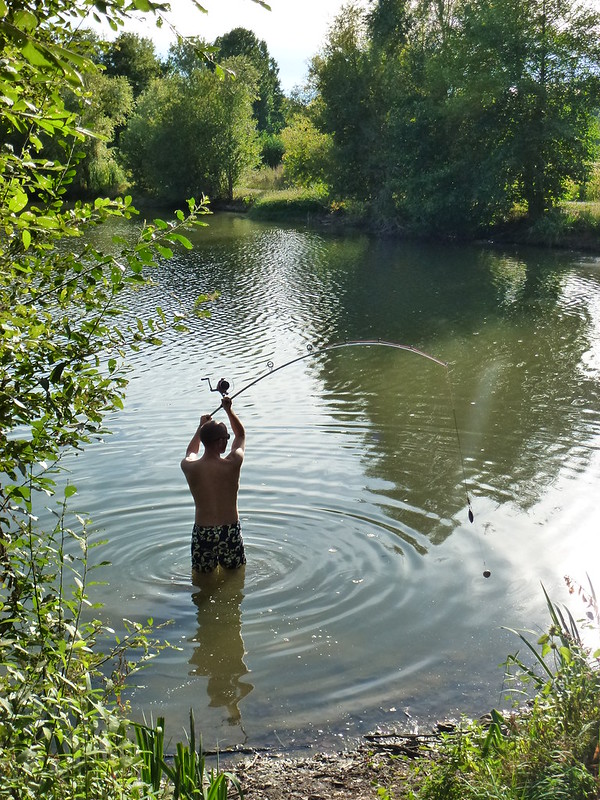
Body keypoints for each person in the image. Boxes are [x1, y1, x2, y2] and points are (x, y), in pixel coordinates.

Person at [181, 396, 246, 576]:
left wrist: (200, 427)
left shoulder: (189, 467)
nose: (228, 439)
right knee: (235, 575)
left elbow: (191, 452)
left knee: (203, 578)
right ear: (221, 442)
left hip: (203, 532)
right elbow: (241, 435)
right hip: (229, 530)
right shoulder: (233, 463)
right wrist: (229, 410)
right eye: (226, 437)